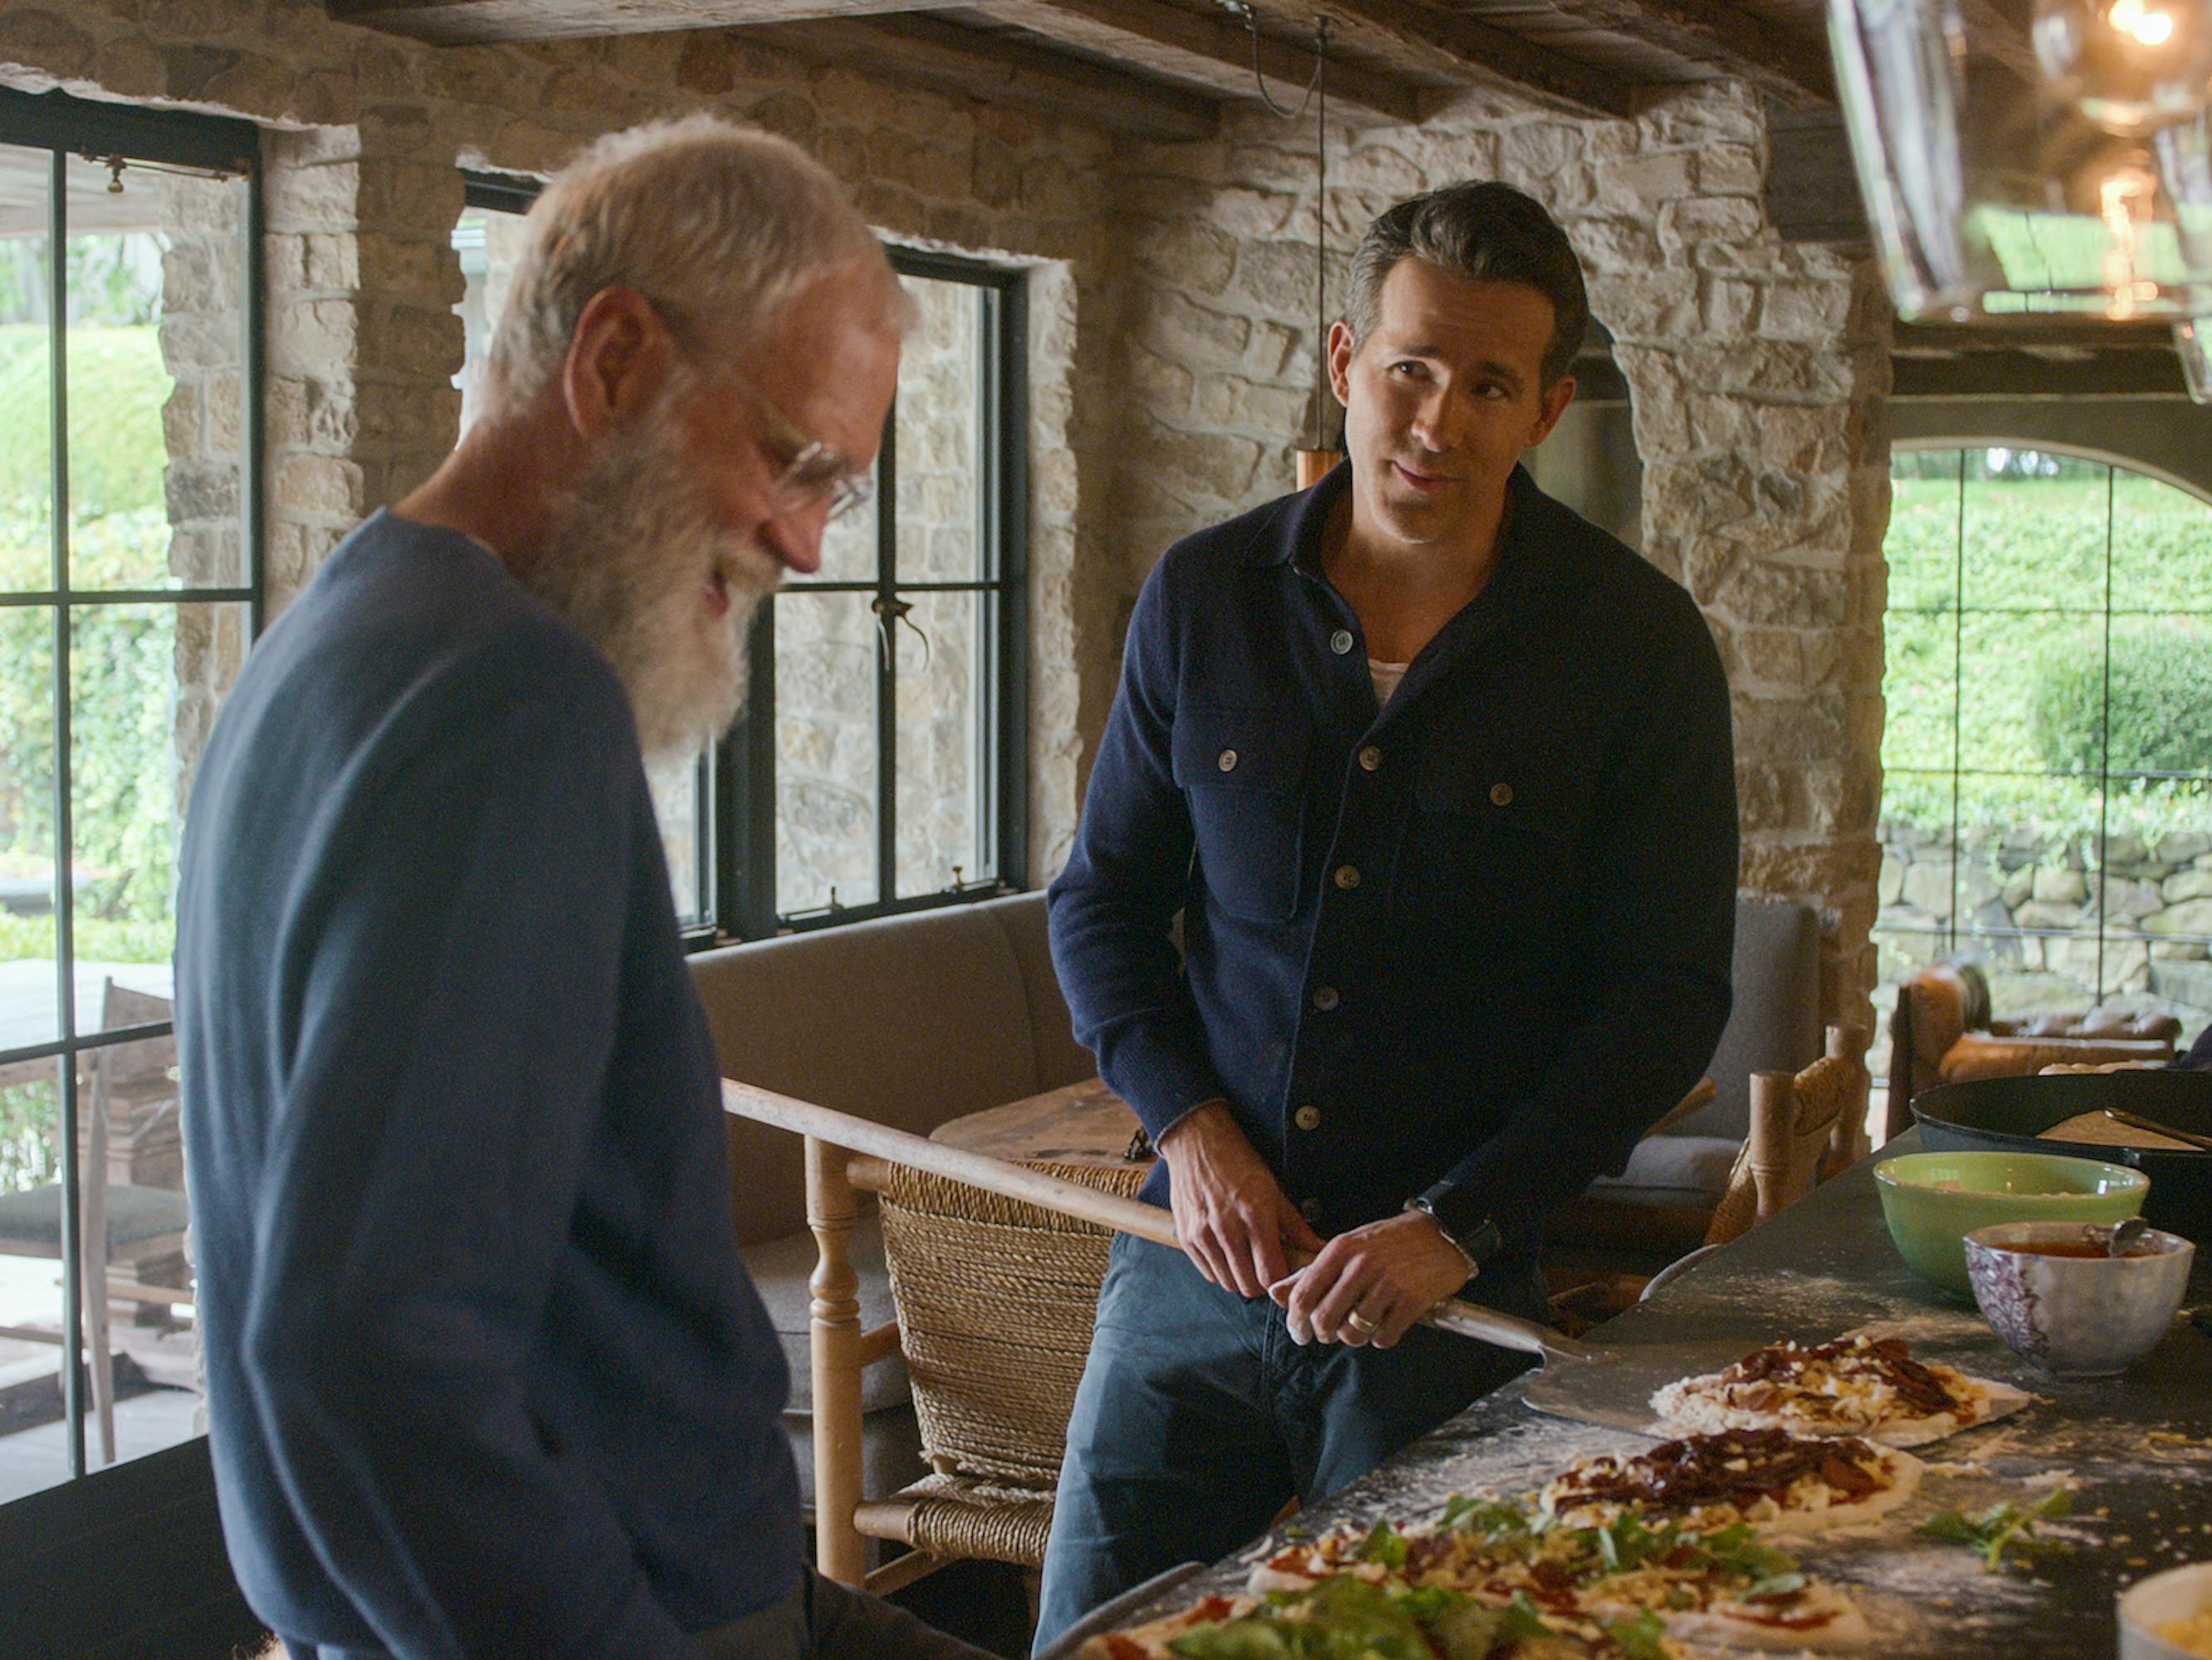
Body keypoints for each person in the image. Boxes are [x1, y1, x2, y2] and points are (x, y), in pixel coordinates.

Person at [176, 117, 990, 1660]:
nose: (806, 544)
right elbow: (363, 1355)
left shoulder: (339, 633)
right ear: (612, 360)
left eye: (843, 489)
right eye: (791, 459)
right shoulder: (508, 698)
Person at [1034, 180, 1739, 1649]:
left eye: (1487, 384)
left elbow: (1665, 993)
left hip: (1444, 1303)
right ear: (1346, 361)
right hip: (1188, 1267)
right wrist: (1191, 1136)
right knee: (1098, 1643)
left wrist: (1455, 1225)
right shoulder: (1200, 596)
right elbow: (1105, 901)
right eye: (1410, 369)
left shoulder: (1637, 645)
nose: (1436, 421)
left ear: (1542, 413)